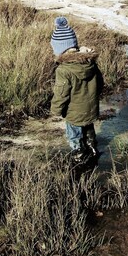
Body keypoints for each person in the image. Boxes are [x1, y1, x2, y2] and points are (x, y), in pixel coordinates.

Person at [50, 16, 103, 162]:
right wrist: (94, 97)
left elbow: (61, 94)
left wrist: (56, 110)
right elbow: (100, 83)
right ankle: (92, 148)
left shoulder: (63, 70)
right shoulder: (90, 62)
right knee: (88, 129)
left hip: (73, 113)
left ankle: (78, 157)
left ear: (60, 50)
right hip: (90, 108)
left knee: (74, 134)